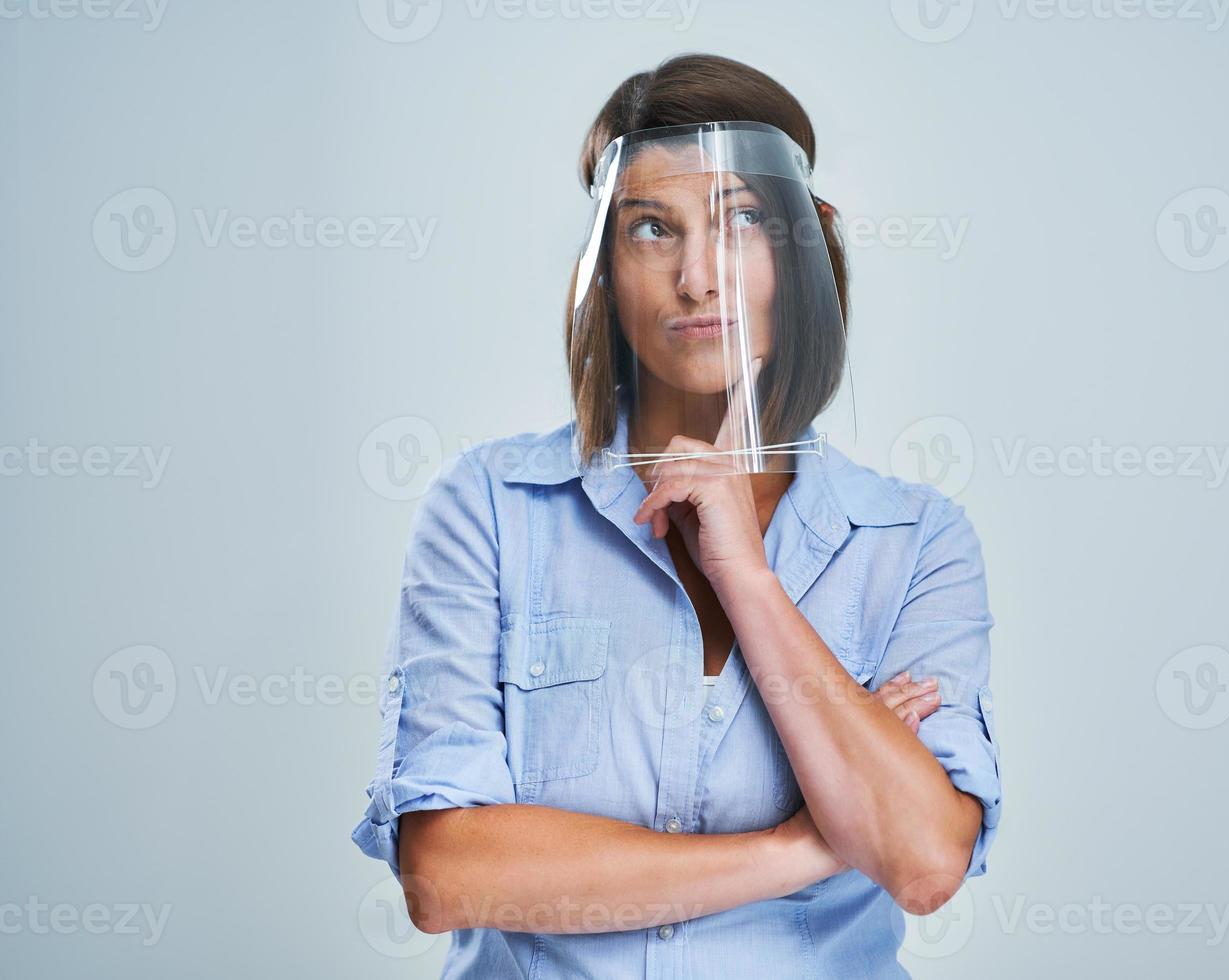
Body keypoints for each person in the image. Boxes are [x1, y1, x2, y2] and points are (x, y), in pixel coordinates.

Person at [351, 53, 1002, 979]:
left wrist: (749, 579)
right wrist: (802, 846)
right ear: (606, 268)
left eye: (740, 220)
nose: (699, 280)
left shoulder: (914, 542)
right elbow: (448, 872)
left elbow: (926, 860)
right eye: (652, 229)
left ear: (803, 249)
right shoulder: (492, 509)